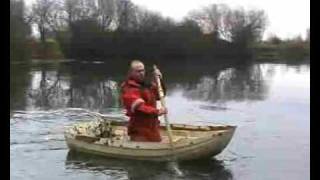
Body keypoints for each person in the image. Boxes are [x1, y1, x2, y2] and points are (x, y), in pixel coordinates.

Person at [120, 60, 167, 142]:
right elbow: (140, 107)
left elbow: (160, 95)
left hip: (152, 126)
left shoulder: (147, 85)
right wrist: (157, 111)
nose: (141, 73)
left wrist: (159, 80)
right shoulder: (128, 88)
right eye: (138, 71)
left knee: (156, 144)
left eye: (143, 70)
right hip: (140, 129)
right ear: (131, 72)